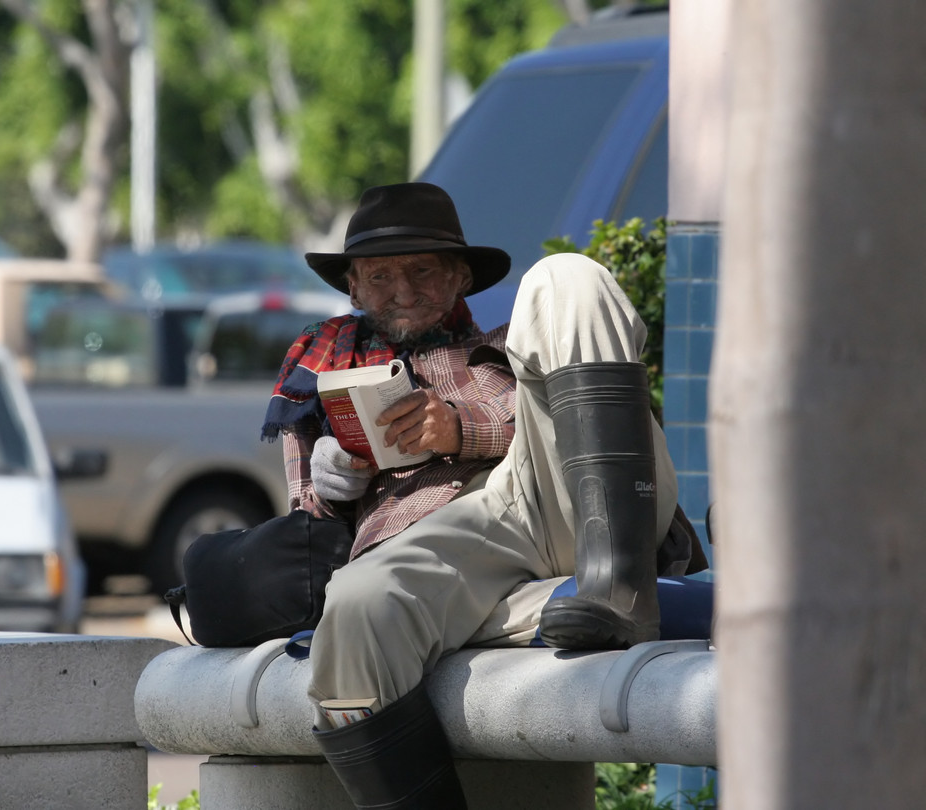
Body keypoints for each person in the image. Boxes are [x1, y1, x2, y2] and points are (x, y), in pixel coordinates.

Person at [261, 182, 704, 809]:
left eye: (423, 271)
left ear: (460, 276)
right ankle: (548, 608)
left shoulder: (507, 345)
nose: (403, 290)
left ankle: (621, 590)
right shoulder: (320, 381)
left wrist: (461, 428)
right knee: (356, 605)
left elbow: (619, 423)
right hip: (447, 558)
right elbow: (303, 530)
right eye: (381, 275)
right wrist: (337, 481)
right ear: (353, 287)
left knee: (563, 276)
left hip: (559, 501)